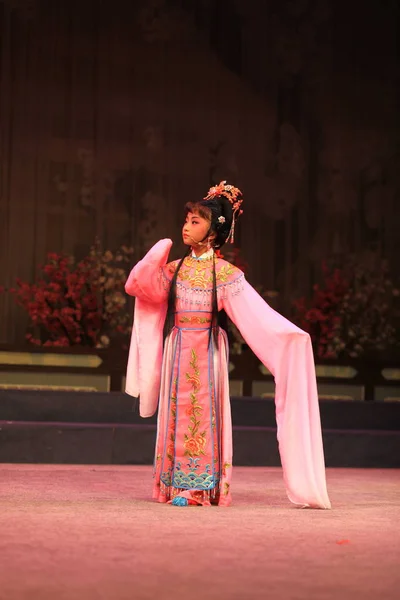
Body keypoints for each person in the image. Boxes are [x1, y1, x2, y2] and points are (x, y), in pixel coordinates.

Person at [125, 181, 331, 509]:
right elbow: (138, 286)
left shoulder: (225, 274)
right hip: (177, 348)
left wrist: (290, 337)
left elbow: (258, 316)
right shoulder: (174, 269)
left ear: (213, 232)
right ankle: (173, 484)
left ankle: (199, 489)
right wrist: (157, 252)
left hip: (207, 351)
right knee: (177, 414)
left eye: (195, 222)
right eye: (186, 220)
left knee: (202, 416)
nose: (186, 227)